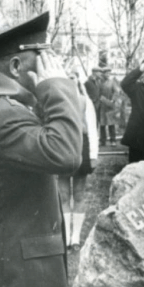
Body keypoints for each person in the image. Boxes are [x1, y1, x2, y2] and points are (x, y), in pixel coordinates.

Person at [0, 11, 84, 287]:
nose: (52, 66)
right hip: (16, 278)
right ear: (16, 65)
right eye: (44, 57)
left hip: (5, 265)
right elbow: (66, 154)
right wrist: (56, 86)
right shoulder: (1, 114)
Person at [58, 62, 100, 251]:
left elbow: (92, 129)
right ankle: (66, 237)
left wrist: (93, 155)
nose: (70, 80)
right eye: (66, 77)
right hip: (62, 147)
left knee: (79, 194)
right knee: (63, 194)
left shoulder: (85, 100)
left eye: (73, 77)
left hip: (81, 147)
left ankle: (75, 238)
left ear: (77, 79)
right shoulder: (57, 100)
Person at [98, 68, 120, 146]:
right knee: (102, 124)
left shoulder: (112, 82)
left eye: (109, 73)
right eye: (106, 73)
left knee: (111, 124)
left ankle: (113, 140)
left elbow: (116, 92)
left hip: (110, 105)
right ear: (103, 74)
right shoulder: (99, 82)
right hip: (102, 106)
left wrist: (113, 100)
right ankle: (102, 141)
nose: (108, 75)